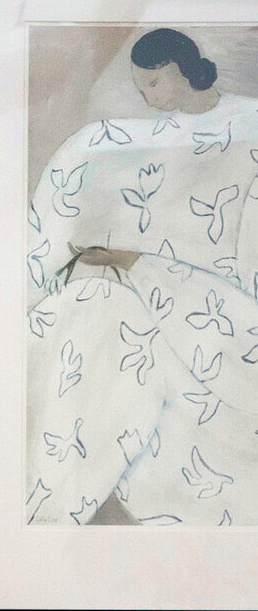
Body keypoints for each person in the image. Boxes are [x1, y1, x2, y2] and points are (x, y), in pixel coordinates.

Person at [27, 28, 258, 527]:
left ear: (179, 69)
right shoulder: (146, 137)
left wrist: (140, 263)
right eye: (140, 88)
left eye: (154, 83)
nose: (149, 97)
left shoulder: (248, 126)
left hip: (213, 315)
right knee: (86, 319)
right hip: (130, 295)